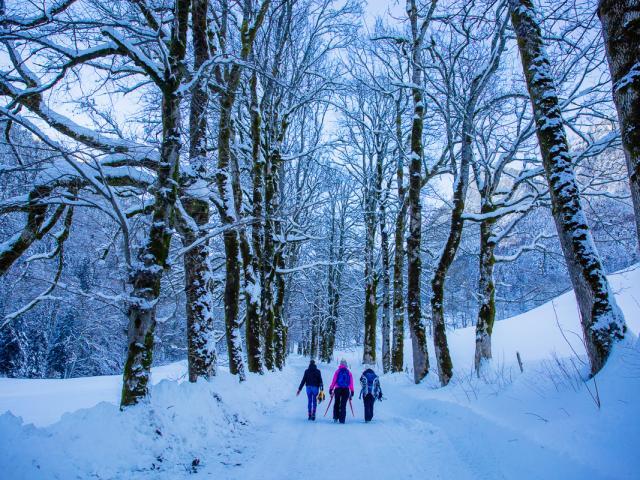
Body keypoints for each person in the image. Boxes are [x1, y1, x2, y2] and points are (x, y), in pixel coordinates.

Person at [329, 359, 354, 424]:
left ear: (340, 364)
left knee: (336, 403)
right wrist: (352, 390)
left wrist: (331, 388)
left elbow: (334, 381)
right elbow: (351, 382)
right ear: (346, 365)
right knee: (343, 404)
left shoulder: (337, 371)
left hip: (338, 389)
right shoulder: (349, 372)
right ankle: (342, 420)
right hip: (346, 390)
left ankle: (335, 417)